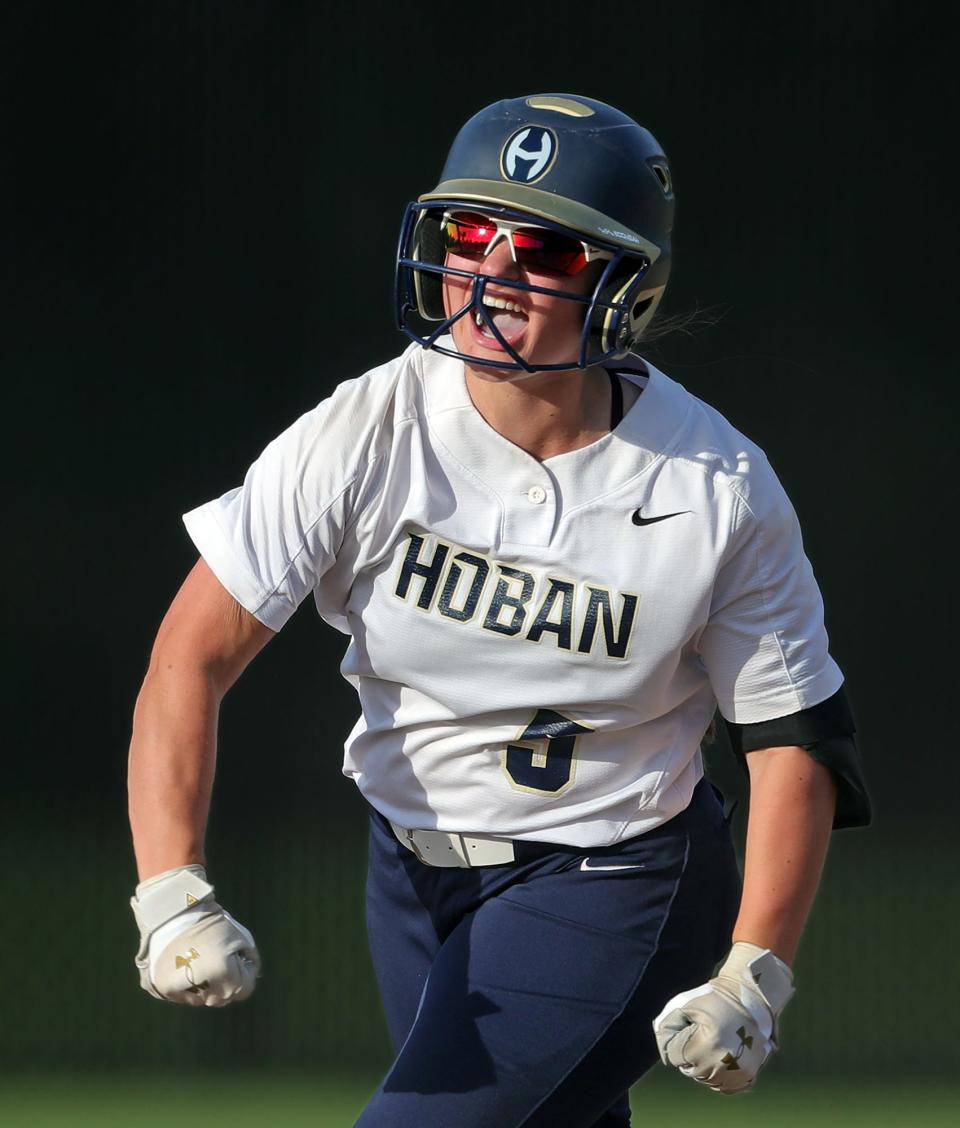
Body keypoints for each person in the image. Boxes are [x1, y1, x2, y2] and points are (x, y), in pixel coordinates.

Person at [127, 93, 870, 1127]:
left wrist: (758, 970)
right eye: (471, 233)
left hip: (613, 877)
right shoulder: (368, 429)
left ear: (626, 288)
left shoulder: (718, 485)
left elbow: (792, 742)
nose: (494, 271)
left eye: (549, 250)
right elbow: (189, 658)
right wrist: (170, 885)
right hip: (410, 871)